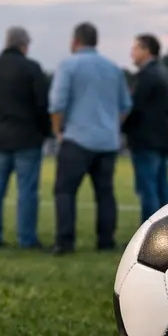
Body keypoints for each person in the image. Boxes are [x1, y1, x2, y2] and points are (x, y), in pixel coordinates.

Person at [48, 22, 132, 255]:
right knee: (105, 193)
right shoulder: (113, 68)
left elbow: (57, 103)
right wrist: (112, 127)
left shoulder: (68, 65)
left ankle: (65, 241)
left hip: (77, 139)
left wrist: (58, 131)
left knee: (65, 191)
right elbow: (125, 105)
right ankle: (105, 240)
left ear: (75, 41)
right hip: (107, 141)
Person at [0, 27, 51, 249]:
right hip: (28, 136)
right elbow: (42, 104)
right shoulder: (31, 69)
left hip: (0, 136)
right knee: (27, 190)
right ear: (23, 44)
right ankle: (26, 238)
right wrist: (44, 130)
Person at [123, 33, 168, 223]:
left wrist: (121, 126)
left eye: (136, 48)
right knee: (163, 188)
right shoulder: (167, 73)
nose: (132, 53)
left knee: (148, 189)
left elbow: (134, 108)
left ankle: (150, 236)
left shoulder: (146, 76)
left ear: (146, 50)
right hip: (165, 138)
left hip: (145, 140)